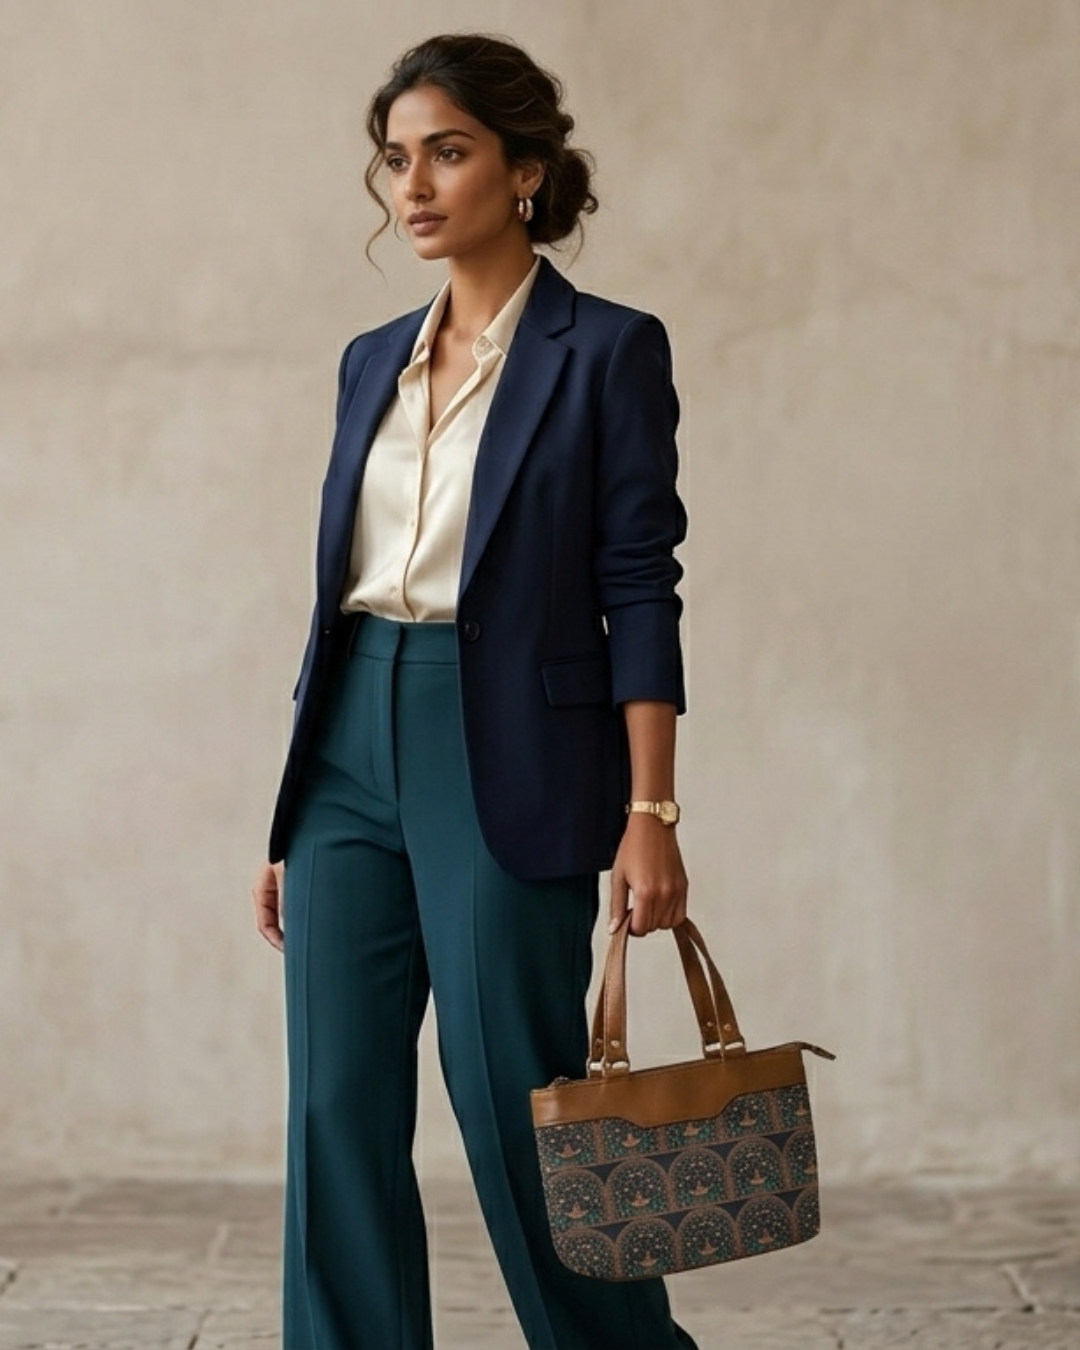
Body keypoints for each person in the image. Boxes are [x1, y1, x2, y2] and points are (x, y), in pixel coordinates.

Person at [251, 32, 697, 1350]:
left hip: (506, 747)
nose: (414, 185)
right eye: (397, 158)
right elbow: (338, 590)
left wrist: (652, 812)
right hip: (348, 744)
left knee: (521, 1101)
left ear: (526, 170)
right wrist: (292, 810)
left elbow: (641, 584)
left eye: (447, 152)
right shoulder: (369, 358)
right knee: (334, 1105)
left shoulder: (606, 350)